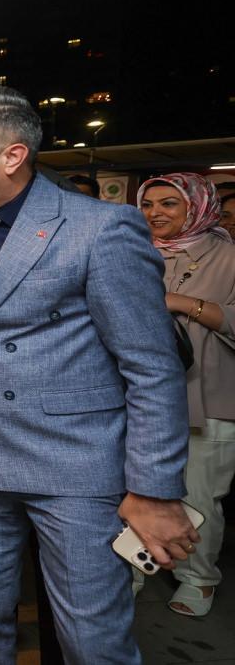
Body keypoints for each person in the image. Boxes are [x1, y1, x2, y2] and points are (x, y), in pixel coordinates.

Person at [0, 86, 195, 663]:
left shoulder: (99, 229)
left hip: (74, 469)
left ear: (12, 156)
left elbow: (151, 368)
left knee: (91, 637)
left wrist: (153, 490)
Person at [137, 173, 235, 618]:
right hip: (137, 398)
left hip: (206, 398)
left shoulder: (228, 257)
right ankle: (133, 570)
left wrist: (182, 303)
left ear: (196, 206)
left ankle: (198, 578)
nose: (155, 213)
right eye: (148, 204)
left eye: (169, 203)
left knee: (198, 495)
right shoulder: (135, 252)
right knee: (133, 491)